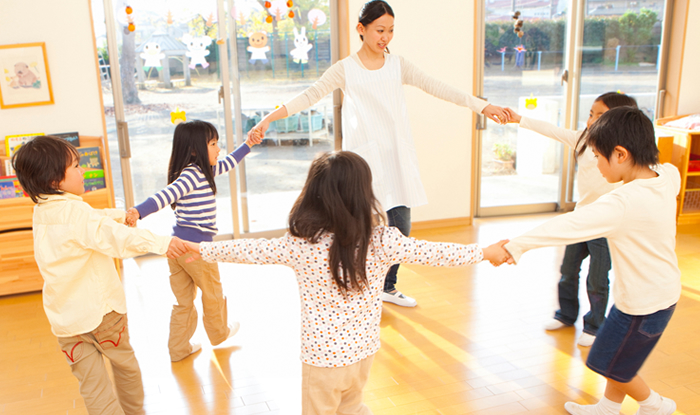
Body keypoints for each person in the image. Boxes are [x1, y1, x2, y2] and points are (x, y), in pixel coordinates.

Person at [180, 151, 512, 414]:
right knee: (352, 407)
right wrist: (485, 252)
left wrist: (201, 249)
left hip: (322, 359)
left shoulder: (302, 244)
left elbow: (251, 250)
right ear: (363, 193)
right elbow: (436, 253)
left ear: (313, 194)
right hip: (363, 352)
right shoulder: (383, 240)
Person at [247, 0, 510, 308]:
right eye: (379, 30)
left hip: (396, 157)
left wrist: (483, 106)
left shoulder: (398, 65)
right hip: (363, 164)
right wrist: (268, 119)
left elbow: (438, 87)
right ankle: (357, 286)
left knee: (401, 228)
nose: (385, 37)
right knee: (360, 230)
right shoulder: (345, 69)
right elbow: (309, 95)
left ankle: (386, 286)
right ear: (362, 29)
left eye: (391, 31)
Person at [500, 107, 681, 415]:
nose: (595, 164)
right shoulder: (668, 175)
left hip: (646, 304)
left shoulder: (621, 203)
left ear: (621, 154)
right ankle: (608, 408)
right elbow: (662, 169)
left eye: (597, 156)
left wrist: (514, 246)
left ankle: (656, 406)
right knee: (619, 357)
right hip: (652, 293)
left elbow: (566, 226)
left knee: (608, 362)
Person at [12, 135, 188, 415]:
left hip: (66, 322)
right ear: (55, 180)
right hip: (102, 315)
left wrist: (119, 215)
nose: (83, 171)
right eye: (76, 166)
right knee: (125, 367)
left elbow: (91, 220)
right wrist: (163, 243)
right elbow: (116, 239)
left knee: (92, 387)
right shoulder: (76, 213)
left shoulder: (42, 211)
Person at [503, 92, 639, 347]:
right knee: (568, 271)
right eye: (591, 114)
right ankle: (565, 315)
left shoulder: (625, 152)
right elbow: (551, 130)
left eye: (600, 115)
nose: (592, 120)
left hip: (605, 226)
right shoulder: (584, 140)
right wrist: (519, 119)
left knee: (597, 280)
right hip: (581, 218)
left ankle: (595, 326)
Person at [126, 120, 261, 362]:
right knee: (213, 292)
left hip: (177, 250)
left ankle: (179, 349)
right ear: (195, 149)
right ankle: (219, 333)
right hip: (196, 250)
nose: (218, 149)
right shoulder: (193, 175)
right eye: (213, 144)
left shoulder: (203, 170)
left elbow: (229, 162)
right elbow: (165, 195)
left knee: (183, 302)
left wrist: (248, 144)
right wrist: (138, 211)